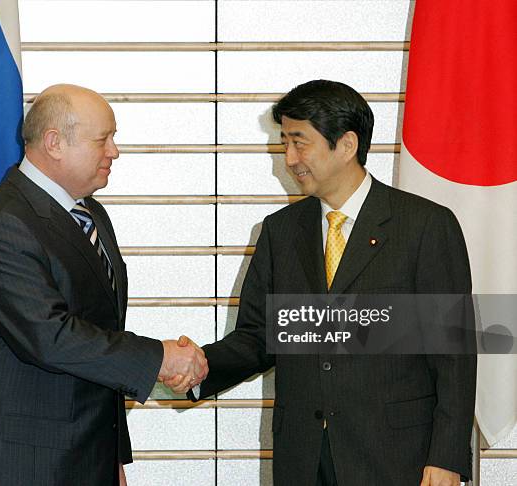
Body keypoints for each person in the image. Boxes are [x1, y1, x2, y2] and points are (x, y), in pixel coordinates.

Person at [167, 80, 476, 486]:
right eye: (284, 142)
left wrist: (447, 457)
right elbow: (260, 336)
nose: (289, 158)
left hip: (398, 458)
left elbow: (454, 354)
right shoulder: (281, 232)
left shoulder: (425, 226)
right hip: (304, 456)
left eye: (300, 142)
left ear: (347, 145)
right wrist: (200, 368)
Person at [0, 84, 208, 486]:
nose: (114, 151)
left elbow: (102, 335)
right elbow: (51, 336)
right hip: (18, 466)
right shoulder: (1, 226)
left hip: (85, 459)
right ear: (54, 143)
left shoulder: (91, 215)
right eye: (103, 139)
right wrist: (159, 358)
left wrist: (112, 457)